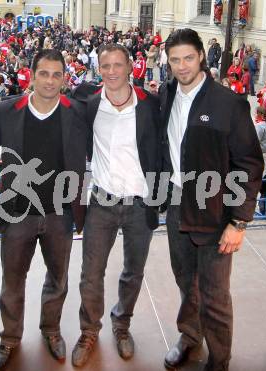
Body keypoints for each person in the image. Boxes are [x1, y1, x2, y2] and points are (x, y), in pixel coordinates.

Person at [159, 28, 263, 371]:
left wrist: (239, 221)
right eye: (175, 60)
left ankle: (220, 360)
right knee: (185, 281)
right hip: (176, 204)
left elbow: (248, 163)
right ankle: (190, 337)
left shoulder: (228, 103)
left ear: (202, 56)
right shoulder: (167, 93)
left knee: (215, 294)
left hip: (215, 211)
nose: (182, 66)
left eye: (188, 58)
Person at [0, 49, 87, 370]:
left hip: (59, 212)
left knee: (58, 278)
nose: (49, 80)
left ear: (64, 77)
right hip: (17, 212)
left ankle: (51, 329)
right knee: (13, 280)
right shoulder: (6, 111)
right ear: (31, 75)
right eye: (43, 73)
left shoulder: (76, 112)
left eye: (56, 74)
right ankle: (9, 337)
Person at [71, 43, 161, 368]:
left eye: (117, 65)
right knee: (90, 274)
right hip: (101, 202)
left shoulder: (152, 104)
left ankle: (121, 325)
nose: (111, 71)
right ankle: (88, 330)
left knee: (133, 272)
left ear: (130, 67)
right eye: (104, 65)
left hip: (141, 203)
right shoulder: (88, 104)